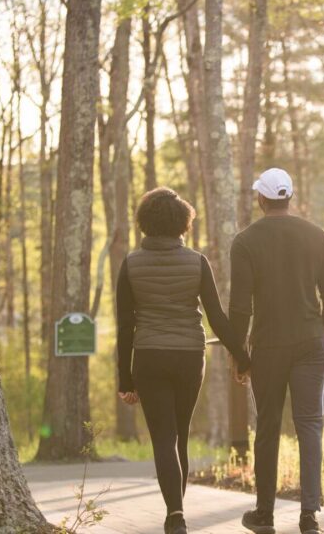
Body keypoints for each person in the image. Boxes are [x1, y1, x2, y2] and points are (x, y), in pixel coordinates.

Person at [116, 187, 250, 534]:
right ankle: (177, 511)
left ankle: (175, 514)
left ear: (145, 222)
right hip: (189, 356)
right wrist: (243, 356)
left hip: (148, 356)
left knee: (163, 437)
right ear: (182, 222)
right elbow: (217, 317)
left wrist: (124, 380)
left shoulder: (130, 264)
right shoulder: (196, 261)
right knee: (181, 434)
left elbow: (125, 325)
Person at [229, 168, 324, 534]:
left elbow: (240, 307)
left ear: (261, 199)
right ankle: (309, 516)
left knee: (268, 427)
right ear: (288, 197)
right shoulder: (317, 235)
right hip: (311, 343)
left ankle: (264, 515)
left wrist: (239, 356)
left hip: (268, 346)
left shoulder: (245, 241)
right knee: (310, 426)